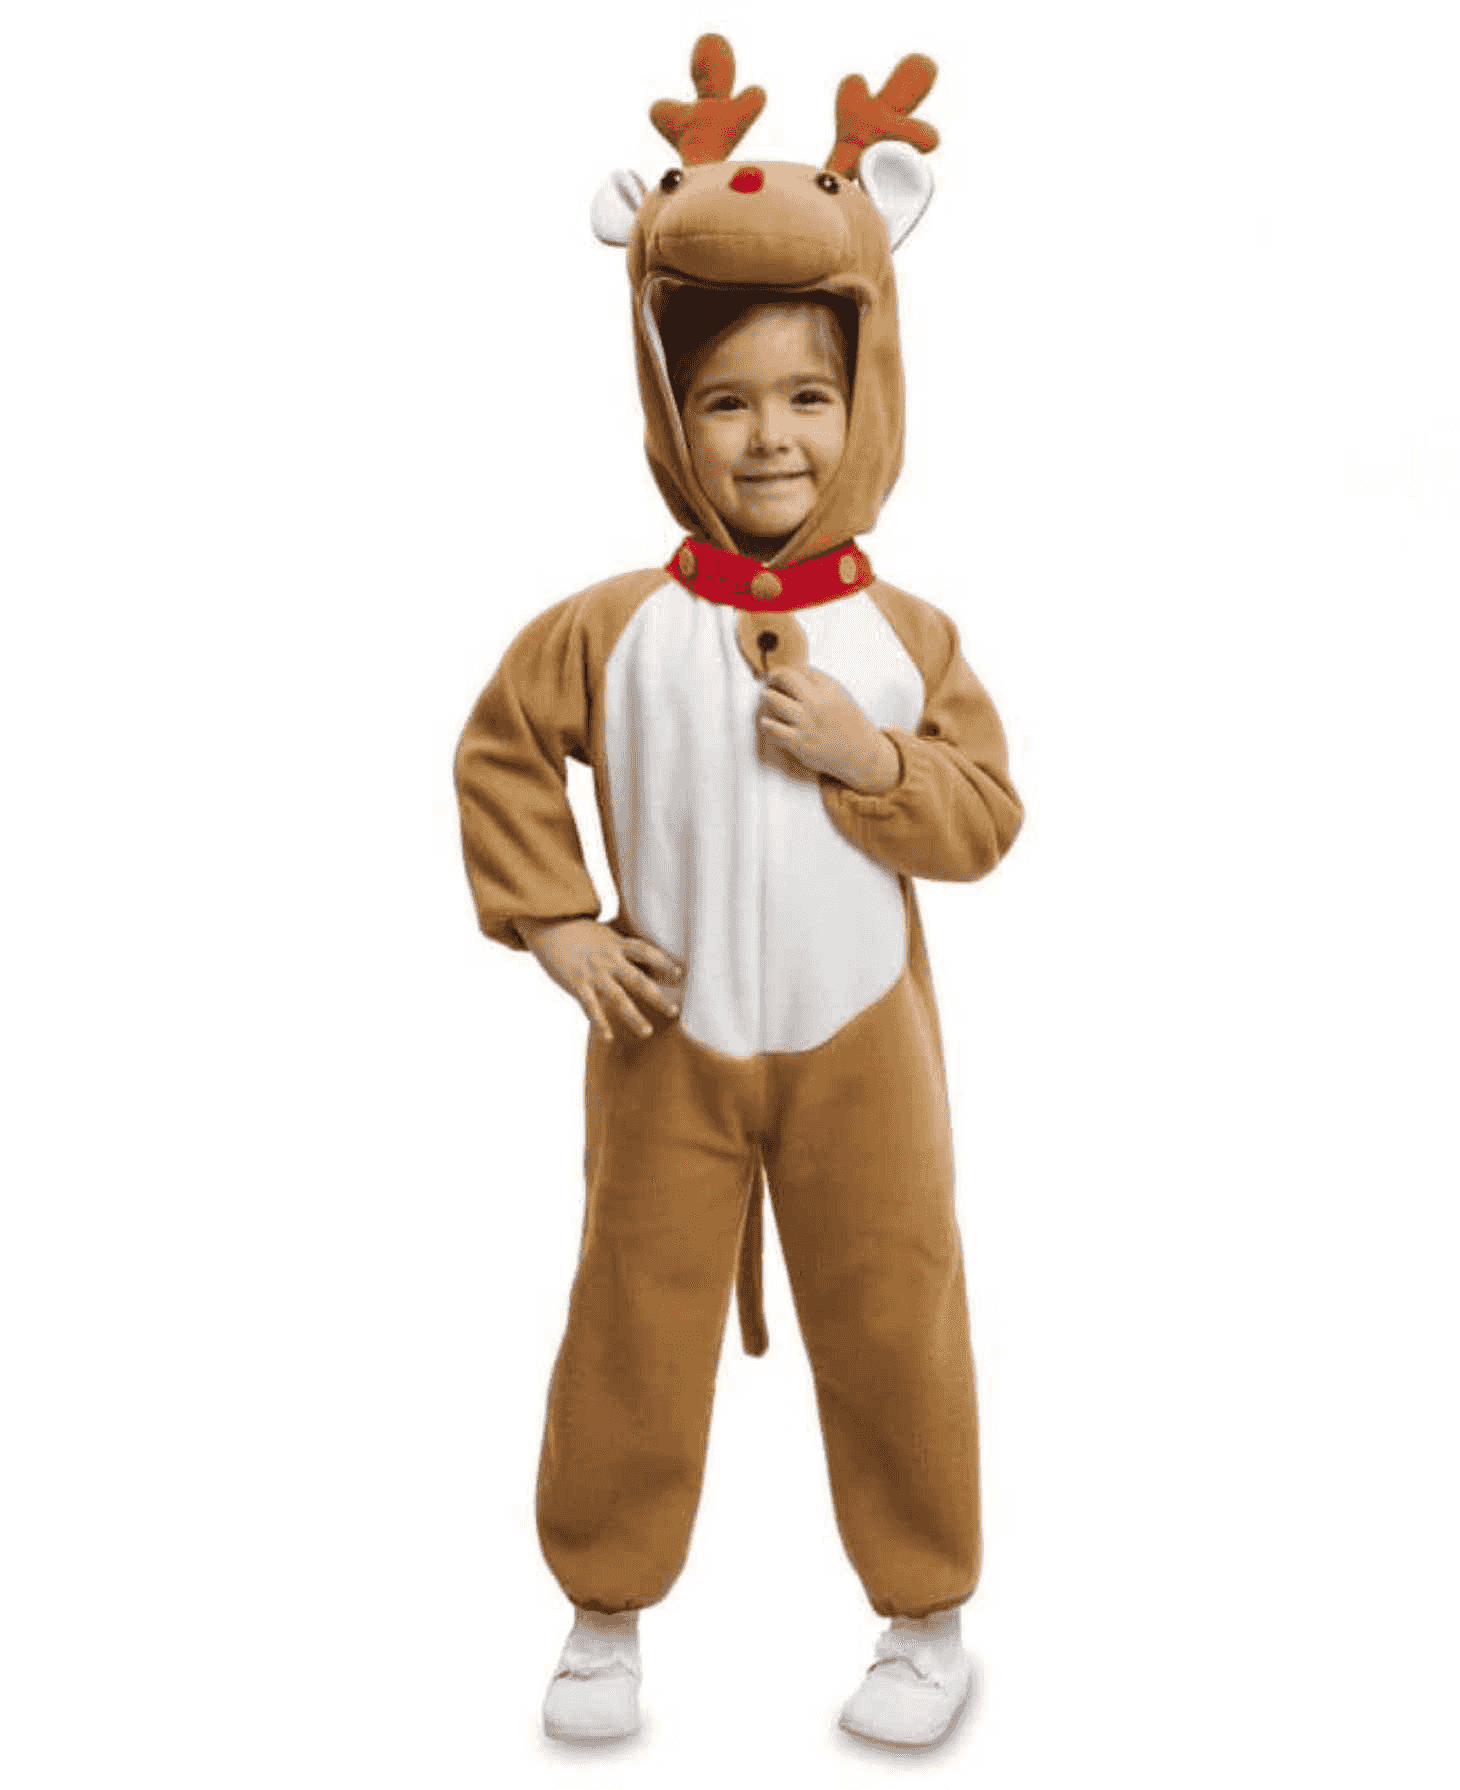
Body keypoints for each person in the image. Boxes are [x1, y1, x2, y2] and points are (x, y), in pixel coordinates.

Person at [454, 39, 1021, 1750]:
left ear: (865, 402)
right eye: (724, 401)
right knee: (629, 1317)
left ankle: (924, 1616)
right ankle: (601, 1605)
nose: (768, 435)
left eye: (806, 398)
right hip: (668, 1049)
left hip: (863, 1054)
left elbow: (983, 817)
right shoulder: (609, 627)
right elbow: (499, 749)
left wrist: (869, 758)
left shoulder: (904, 640)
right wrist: (558, 922)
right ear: (667, 411)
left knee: (895, 1308)